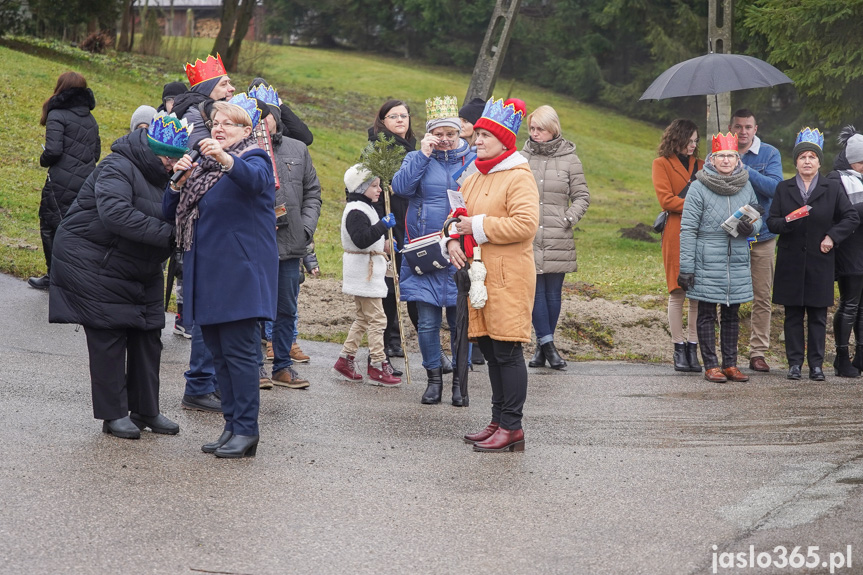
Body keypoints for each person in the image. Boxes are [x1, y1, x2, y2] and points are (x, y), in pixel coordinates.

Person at [48, 111, 189, 439]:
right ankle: (113, 415)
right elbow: (116, 214)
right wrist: (169, 235)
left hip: (140, 266)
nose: (171, 165)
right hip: (96, 262)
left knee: (148, 332)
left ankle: (146, 409)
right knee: (109, 336)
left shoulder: (166, 176)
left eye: (175, 159)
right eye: (167, 158)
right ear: (151, 149)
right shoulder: (117, 166)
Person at [165, 96, 278, 458]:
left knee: (241, 355)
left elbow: (257, 182)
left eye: (228, 123)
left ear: (247, 130)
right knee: (219, 356)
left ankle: (247, 430)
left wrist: (225, 158)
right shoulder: (201, 168)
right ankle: (231, 427)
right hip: (206, 274)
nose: (219, 127)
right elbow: (171, 212)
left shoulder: (254, 157)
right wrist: (176, 182)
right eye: (215, 122)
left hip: (240, 275)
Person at [447, 98, 539, 452]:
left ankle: (512, 427)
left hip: (508, 276)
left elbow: (526, 224)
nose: (478, 139)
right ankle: (497, 420)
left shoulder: (519, 176)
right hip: (477, 276)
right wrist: (452, 239)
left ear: (504, 141)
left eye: (485, 135)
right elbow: (456, 217)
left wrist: (477, 226)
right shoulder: (474, 176)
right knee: (487, 345)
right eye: (478, 134)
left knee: (506, 350)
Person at [392, 95, 476, 406]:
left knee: (459, 322)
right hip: (424, 252)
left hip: (459, 251)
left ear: (459, 133)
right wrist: (422, 155)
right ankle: (434, 380)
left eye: (450, 134)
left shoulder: (472, 160)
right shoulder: (417, 157)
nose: (444, 139)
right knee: (426, 322)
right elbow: (400, 189)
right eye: (438, 134)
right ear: (429, 135)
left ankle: (458, 381)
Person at [767, 128, 859, 382]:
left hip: (820, 260)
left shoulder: (831, 188)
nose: (807, 161)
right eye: (802, 157)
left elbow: (850, 217)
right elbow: (771, 222)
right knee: (793, 314)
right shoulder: (784, 188)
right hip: (791, 260)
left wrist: (832, 237)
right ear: (795, 162)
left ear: (819, 161)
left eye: (812, 157)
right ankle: (794, 364)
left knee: (818, 315)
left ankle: (816, 365)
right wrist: (786, 221)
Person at [250, 83, 322, 389]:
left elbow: (313, 194)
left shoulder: (298, 149)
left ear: (275, 117)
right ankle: (255, 367)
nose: (260, 121)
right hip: (256, 243)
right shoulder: (245, 149)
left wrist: (305, 228)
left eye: (264, 115)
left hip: (291, 243)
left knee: (286, 309)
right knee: (253, 308)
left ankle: (282, 366)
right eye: (254, 117)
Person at [678, 133, 761, 384]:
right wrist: (686, 267)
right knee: (706, 313)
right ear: (712, 160)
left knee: (732, 313)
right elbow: (688, 228)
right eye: (721, 156)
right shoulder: (698, 187)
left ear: (738, 159)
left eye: (731, 156)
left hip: (735, 258)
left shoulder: (745, 185)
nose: (726, 160)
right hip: (707, 257)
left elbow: (757, 215)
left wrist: (752, 229)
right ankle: (711, 365)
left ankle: (731, 364)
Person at [521, 105, 590, 370]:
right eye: (532, 128)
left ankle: (541, 348)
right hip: (529, 234)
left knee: (553, 293)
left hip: (558, 234)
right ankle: (549, 347)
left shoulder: (570, 158)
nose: (535, 133)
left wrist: (569, 218)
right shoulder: (522, 157)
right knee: (535, 290)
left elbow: (582, 196)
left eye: (540, 129)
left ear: (553, 129)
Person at [30, 71, 101, 290]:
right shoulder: (90, 118)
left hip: (59, 181)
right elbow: (96, 153)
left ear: (60, 88)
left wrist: (43, 159)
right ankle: (76, 277)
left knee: (50, 227)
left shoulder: (57, 114)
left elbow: (53, 150)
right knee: (76, 229)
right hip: (86, 182)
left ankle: (55, 278)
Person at [333, 164, 401, 385]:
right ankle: (377, 364)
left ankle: (345, 358)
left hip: (367, 269)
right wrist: (382, 226)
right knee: (378, 319)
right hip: (363, 273)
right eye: (374, 186)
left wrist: (385, 243)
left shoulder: (366, 207)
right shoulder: (356, 210)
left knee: (363, 318)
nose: (379, 190)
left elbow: (368, 240)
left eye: (379, 186)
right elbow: (361, 239)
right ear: (360, 188)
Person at [728, 110, 784, 372]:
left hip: (763, 237)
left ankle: (758, 352)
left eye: (748, 127)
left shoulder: (770, 153)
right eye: (738, 127)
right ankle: (726, 353)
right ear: (731, 127)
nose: (743, 132)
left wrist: (745, 169)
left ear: (755, 128)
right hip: (730, 236)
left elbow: (775, 188)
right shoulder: (720, 151)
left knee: (762, 295)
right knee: (728, 294)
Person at [368, 99, 417, 366]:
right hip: (387, 221)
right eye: (393, 116)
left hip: (410, 221)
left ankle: (397, 335)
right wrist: (379, 230)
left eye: (404, 115)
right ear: (383, 121)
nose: (400, 120)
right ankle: (387, 339)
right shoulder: (376, 149)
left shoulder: (415, 147)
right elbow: (365, 191)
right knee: (387, 283)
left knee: (405, 280)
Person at [652, 119, 703, 373]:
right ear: (677, 139)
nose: (693, 145)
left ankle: (693, 346)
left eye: (696, 141)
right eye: (689, 140)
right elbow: (666, 200)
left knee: (696, 293)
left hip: (699, 234)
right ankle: (678, 347)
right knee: (677, 291)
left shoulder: (703, 166)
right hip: (675, 231)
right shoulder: (661, 164)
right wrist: (695, 205)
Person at [827, 127, 863, 377]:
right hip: (849, 249)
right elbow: (839, 214)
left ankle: (860, 355)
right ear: (852, 160)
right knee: (850, 303)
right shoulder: (835, 179)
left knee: (862, 307)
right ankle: (841, 357)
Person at [249, 77, 314, 146]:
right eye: (257, 115)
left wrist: (282, 108)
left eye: (267, 114)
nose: (262, 120)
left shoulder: (281, 130)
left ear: (276, 117)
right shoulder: (244, 132)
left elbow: (306, 139)